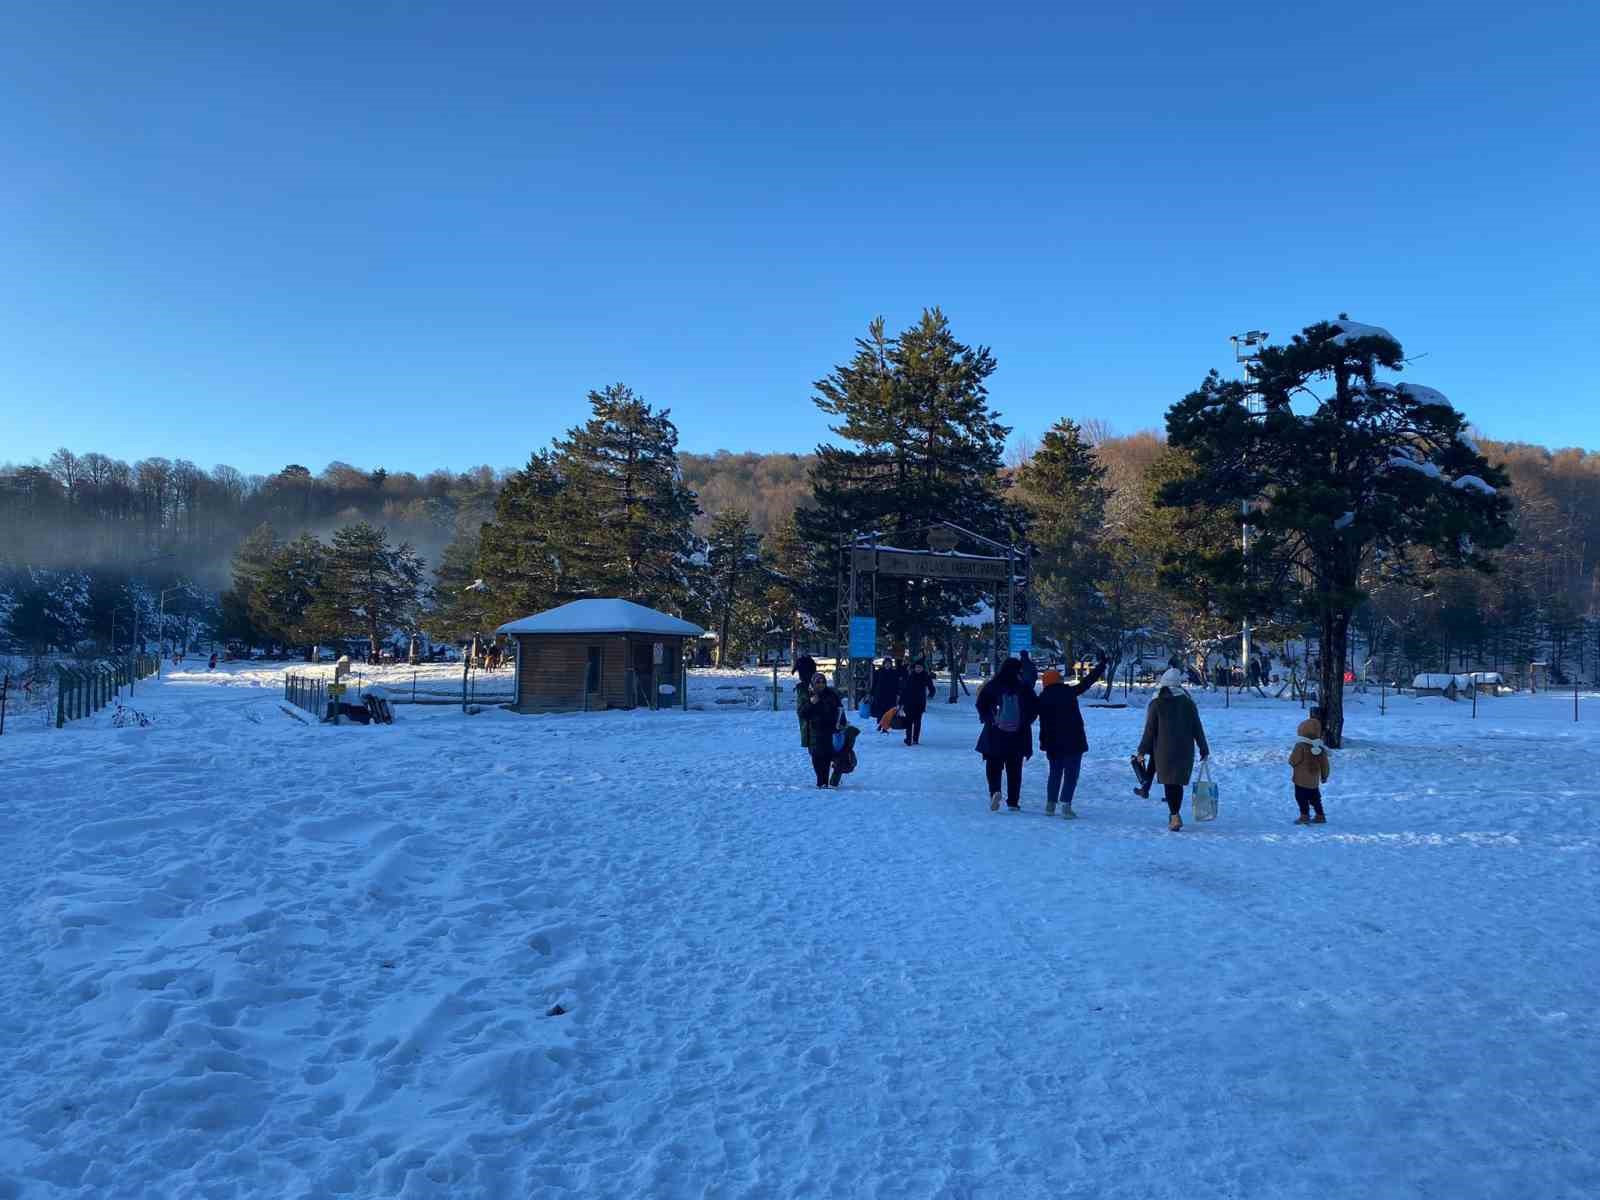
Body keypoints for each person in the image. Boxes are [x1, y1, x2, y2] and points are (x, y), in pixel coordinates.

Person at [1135, 667, 1211, 832]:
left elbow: (1150, 730)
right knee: (1176, 783)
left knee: (1169, 783)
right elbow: (1197, 727)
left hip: (1163, 750)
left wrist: (1141, 751)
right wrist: (1203, 748)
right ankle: (1173, 814)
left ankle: (1175, 816)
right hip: (1184, 750)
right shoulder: (1188, 702)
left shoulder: (1157, 703)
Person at [1037, 654, 1108, 819]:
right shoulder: (1069, 692)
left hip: (1052, 742)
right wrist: (1101, 665)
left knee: (1055, 773)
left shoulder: (1042, 698)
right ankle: (1066, 805)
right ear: (1059, 680)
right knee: (1071, 774)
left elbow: (1031, 716)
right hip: (1073, 740)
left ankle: (1050, 804)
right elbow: (1087, 682)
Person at [975, 657, 1041, 811]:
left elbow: (981, 704)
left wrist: (989, 719)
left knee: (993, 765)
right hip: (1018, 735)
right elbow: (1034, 707)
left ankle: (995, 791)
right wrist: (1025, 722)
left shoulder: (993, 685)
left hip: (995, 732)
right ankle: (1013, 801)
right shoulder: (1023, 686)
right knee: (1015, 769)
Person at [799, 672, 844, 789]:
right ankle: (821, 781)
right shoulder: (808, 695)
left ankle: (825, 782)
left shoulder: (831, 694)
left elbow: (840, 709)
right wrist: (811, 703)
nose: (821, 684)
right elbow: (802, 713)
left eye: (823, 682)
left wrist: (841, 723)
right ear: (813, 683)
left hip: (829, 730)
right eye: (818, 682)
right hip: (814, 731)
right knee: (816, 757)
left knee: (827, 757)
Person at [1289, 707, 1331, 824]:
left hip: (1300, 780)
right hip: (1313, 781)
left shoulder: (1300, 746)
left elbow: (1293, 760)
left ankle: (1304, 815)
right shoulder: (1321, 748)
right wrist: (1324, 776)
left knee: (1301, 798)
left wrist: (1293, 764)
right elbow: (1325, 764)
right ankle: (1320, 815)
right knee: (1315, 798)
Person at [897, 659, 936, 745]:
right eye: (917, 667)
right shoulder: (910, 676)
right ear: (914, 668)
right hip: (909, 702)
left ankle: (915, 739)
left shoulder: (925, 676)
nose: (918, 669)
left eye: (920, 667)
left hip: (920, 702)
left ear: (923, 668)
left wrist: (931, 694)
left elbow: (931, 687)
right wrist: (901, 702)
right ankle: (908, 739)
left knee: (917, 721)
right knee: (908, 721)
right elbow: (904, 689)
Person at [792, 655, 819, 749]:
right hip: (812, 734)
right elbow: (801, 712)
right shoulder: (803, 688)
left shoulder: (810, 688)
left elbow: (802, 712)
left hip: (817, 734)